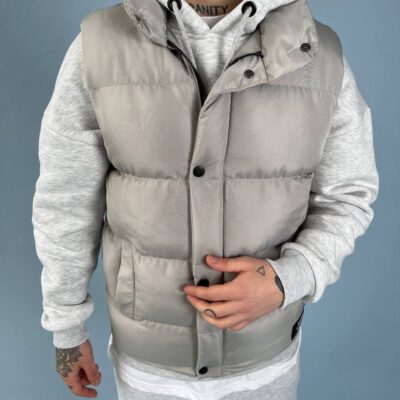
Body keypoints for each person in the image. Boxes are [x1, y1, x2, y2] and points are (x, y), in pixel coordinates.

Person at [31, 0, 379, 399]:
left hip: (264, 367)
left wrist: (292, 277)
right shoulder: (101, 45)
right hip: (149, 370)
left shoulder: (319, 54)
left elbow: (348, 193)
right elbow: (67, 199)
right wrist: (67, 325)